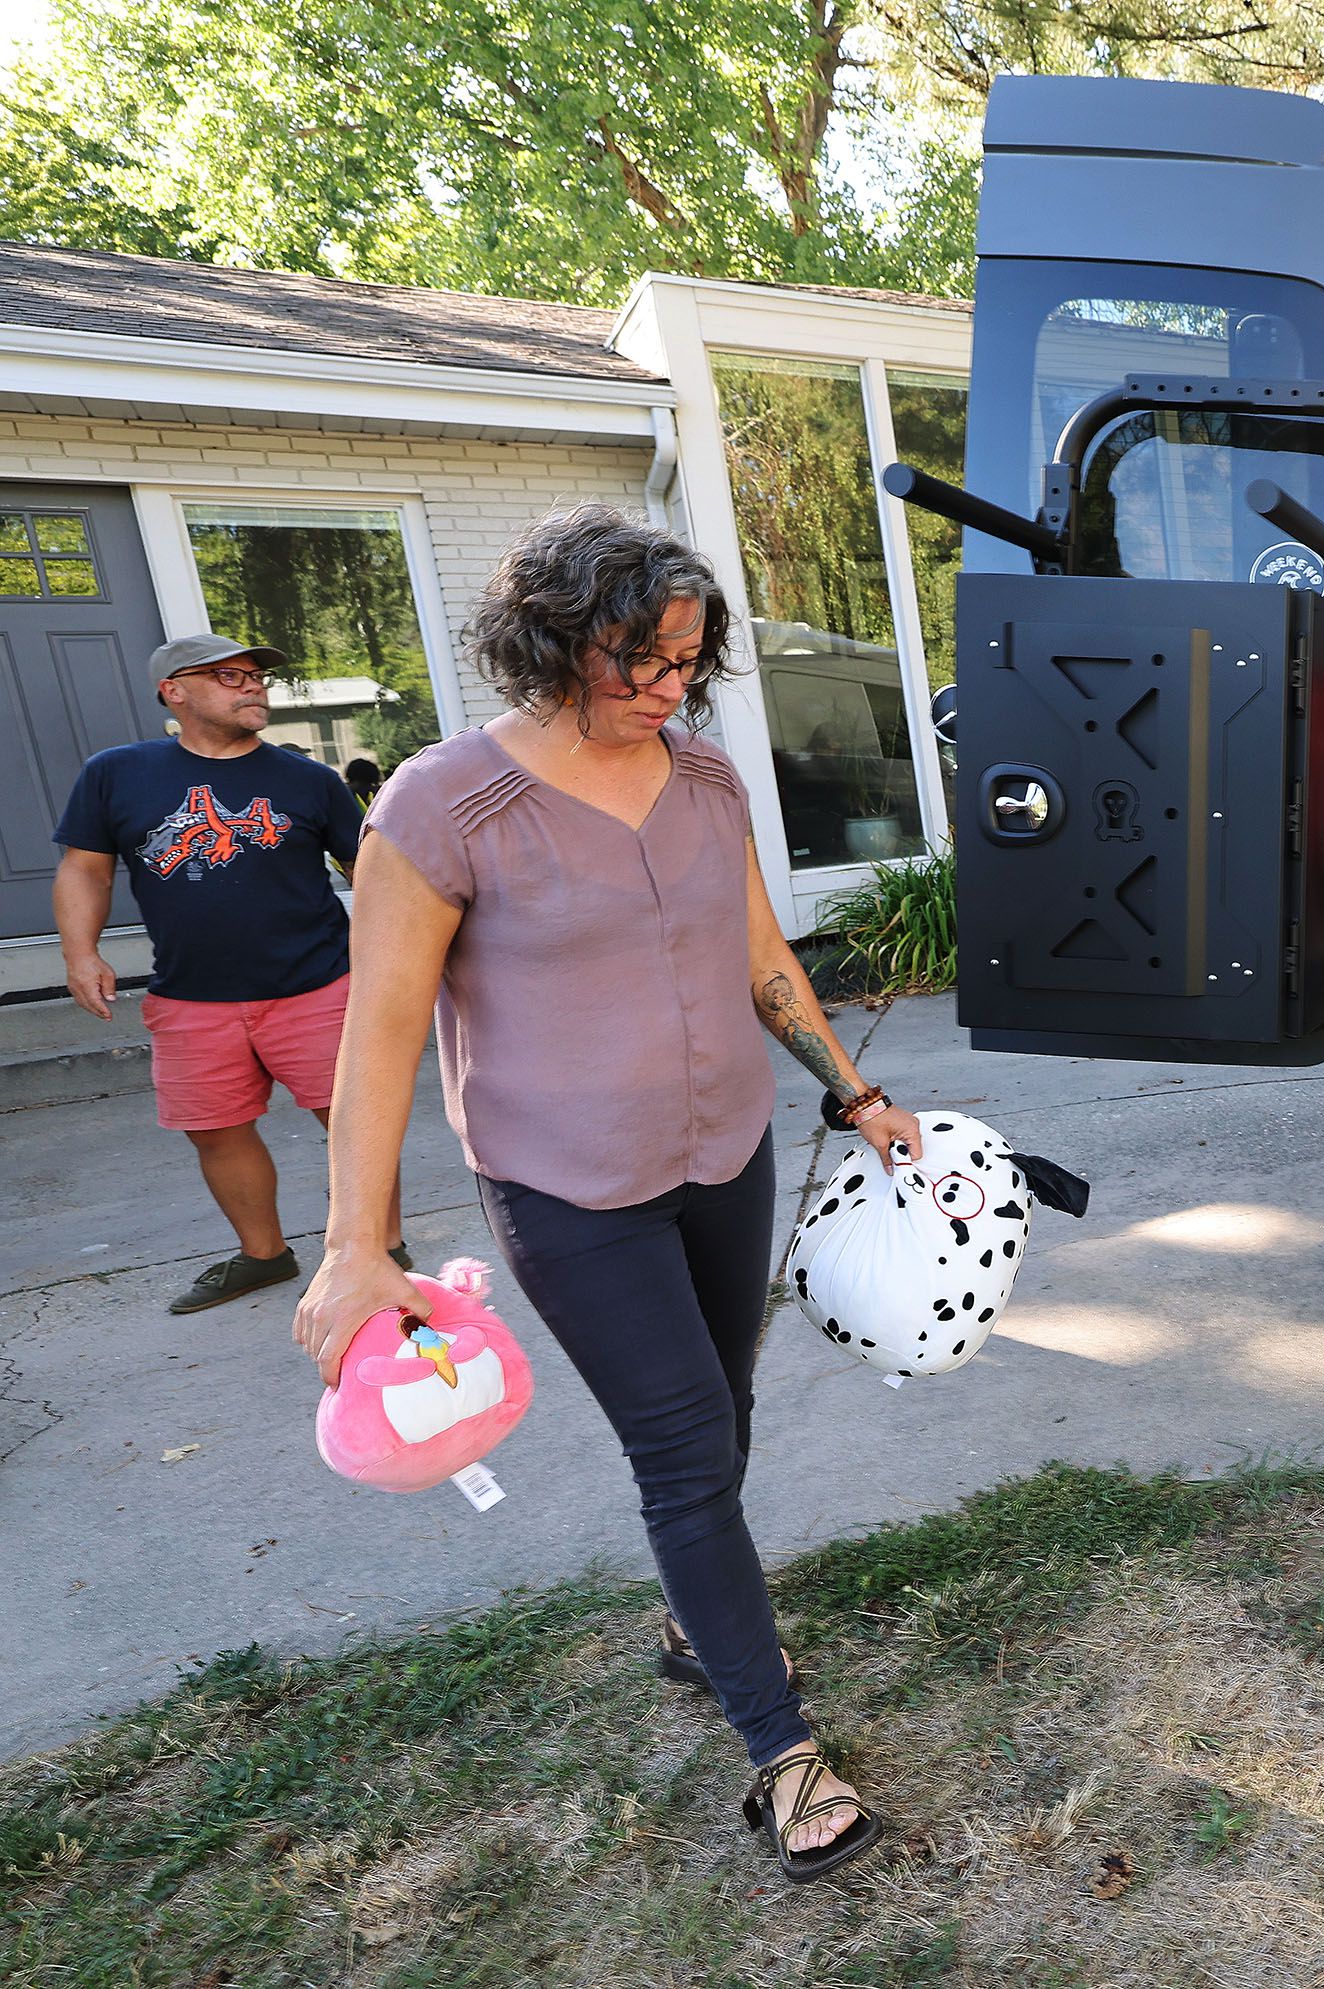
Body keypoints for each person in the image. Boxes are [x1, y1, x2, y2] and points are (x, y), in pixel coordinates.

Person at [293, 505, 918, 1884]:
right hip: (567, 1187)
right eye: (636, 658)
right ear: (552, 642)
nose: (665, 687)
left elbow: (761, 952)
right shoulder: (441, 805)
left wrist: (852, 1089)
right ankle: (779, 1745)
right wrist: (354, 1245)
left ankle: (705, 1625)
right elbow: (381, 1033)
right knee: (685, 1443)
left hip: (724, 1154)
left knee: (728, 1404)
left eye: (687, 659)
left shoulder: (702, 778)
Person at [52, 633, 408, 1314]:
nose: (252, 685)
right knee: (215, 1129)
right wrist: (80, 952)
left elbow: (372, 867)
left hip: (319, 984)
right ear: (174, 692)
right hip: (191, 996)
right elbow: (85, 867)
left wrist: (390, 956)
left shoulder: (308, 780)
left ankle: (382, 1249)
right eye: (229, 675)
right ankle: (264, 1254)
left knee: (356, 1120)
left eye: (256, 676)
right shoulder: (117, 773)